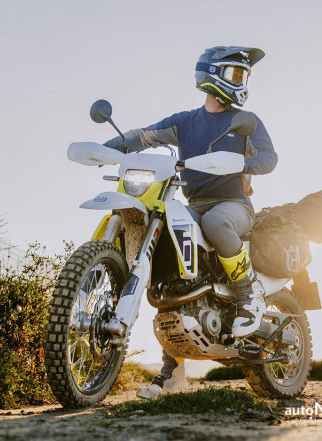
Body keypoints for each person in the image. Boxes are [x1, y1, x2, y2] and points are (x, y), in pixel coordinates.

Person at [103, 46, 277, 398]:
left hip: (234, 207)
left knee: (215, 223)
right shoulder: (185, 122)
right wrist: (107, 149)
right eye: (236, 74)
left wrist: (243, 165)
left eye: (243, 76)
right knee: (170, 276)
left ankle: (248, 294)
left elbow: (269, 158)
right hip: (194, 204)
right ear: (212, 75)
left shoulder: (246, 121)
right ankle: (171, 374)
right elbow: (144, 135)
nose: (242, 82)